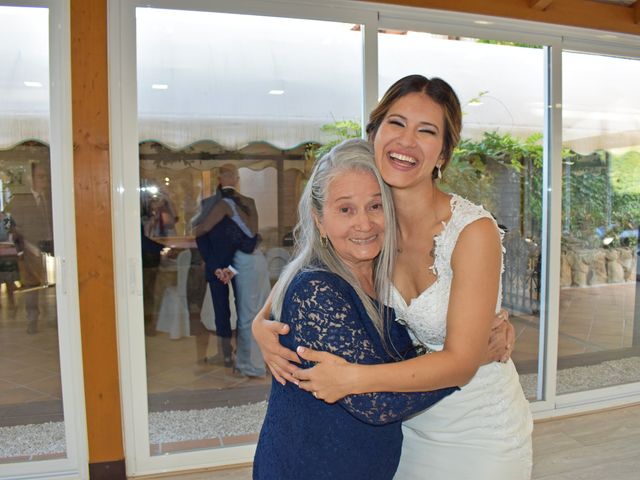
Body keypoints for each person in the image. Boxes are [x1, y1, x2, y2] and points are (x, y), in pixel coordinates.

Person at [254, 75, 532, 479]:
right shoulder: (374, 227)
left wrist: (352, 378)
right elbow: (303, 274)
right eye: (397, 123)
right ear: (375, 134)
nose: (407, 141)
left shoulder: (471, 232)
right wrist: (260, 325)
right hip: (404, 422)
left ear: (442, 154)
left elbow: (461, 362)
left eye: (427, 131)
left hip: (477, 426)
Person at [253, 138, 455, 479]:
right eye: (345, 209)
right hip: (309, 468)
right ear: (319, 220)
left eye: (375, 206)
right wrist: (463, 361)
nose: (364, 224)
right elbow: (375, 402)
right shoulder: (316, 290)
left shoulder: (385, 271)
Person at [193, 163, 259, 367]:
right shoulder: (208, 204)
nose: (231, 178)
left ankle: (239, 354)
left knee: (243, 311)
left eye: (233, 175)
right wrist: (217, 267)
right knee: (223, 312)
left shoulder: (248, 203)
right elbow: (201, 237)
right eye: (228, 175)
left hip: (234, 266)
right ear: (221, 178)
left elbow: (251, 238)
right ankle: (226, 355)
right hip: (221, 267)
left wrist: (226, 267)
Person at [9, 161, 54, 334]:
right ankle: (32, 321)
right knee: (31, 287)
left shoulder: (51, 198)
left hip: (51, 248)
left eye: (46, 177)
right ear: (31, 179)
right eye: (41, 177)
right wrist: (24, 246)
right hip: (30, 250)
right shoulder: (20, 201)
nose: (45, 181)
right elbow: (12, 225)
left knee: (55, 283)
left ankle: (57, 319)